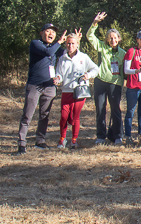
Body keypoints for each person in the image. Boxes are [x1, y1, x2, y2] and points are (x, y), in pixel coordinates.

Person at [16, 23, 66, 154]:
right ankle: (22, 144)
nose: (51, 34)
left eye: (54, 32)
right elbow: (48, 52)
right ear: (41, 32)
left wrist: (76, 40)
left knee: (44, 115)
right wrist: (59, 42)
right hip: (34, 86)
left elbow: (68, 53)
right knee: (27, 115)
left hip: (49, 86)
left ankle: (40, 141)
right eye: (48, 31)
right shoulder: (35, 44)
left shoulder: (55, 47)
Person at [53, 31, 99, 149]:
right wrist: (58, 78)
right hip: (66, 91)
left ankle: (74, 140)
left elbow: (95, 69)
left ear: (77, 44)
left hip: (79, 92)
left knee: (75, 117)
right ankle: (62, 139)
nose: (70, 46)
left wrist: (88, 75)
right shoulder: (62, 58)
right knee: (64, 116)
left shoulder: (83, 57)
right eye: (68, 44)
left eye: (73, 43)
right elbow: (59, 73)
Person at [87, 12, 126, 145]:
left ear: (119, 39)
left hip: (115, 84)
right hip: (100, 82)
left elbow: (127, 69)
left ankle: (118, 136)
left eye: (115, 38)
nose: (112, 40)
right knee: (100, 109)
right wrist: (95, 23)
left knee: (116, 109)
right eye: (110, 38)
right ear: (106, 39)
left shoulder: (123, 53)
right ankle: (100, 136)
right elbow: (90, 36)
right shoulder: (101, 48)